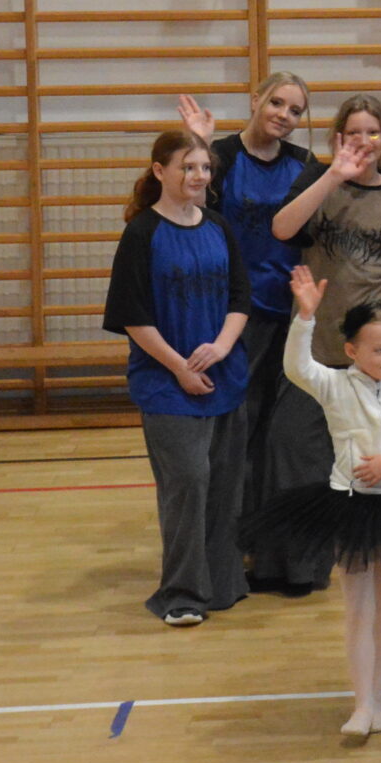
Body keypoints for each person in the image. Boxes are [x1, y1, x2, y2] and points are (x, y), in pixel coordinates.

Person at [242, 266, 381, 741]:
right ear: (351, 351)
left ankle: (377, 697)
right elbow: (297, 369)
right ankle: (362, 704)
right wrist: (305, 318)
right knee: (358, 609)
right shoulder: (336, 386)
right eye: (378, 350)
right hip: (352, 507)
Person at [260, 95, 381, 594]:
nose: (363, 141)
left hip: (378, 362)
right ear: (338, 137)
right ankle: (300, 567)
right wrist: (333, 174)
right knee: (292, 448)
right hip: (321, 352)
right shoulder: (317, 179)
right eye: (353, 132)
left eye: (373, 132)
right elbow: (282, 227)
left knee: (378, 465)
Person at [105, 129, 252, 627]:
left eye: (205, 167)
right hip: (166, 384)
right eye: (188, 167)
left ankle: (222, 584)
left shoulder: (219, 226)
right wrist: (179, 367)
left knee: (225, 487)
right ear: (160, 171)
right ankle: (182, 594)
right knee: (187, 483)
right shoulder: (142, 233)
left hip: (224, 376)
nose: (199, 176)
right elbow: (131, 315)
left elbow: (240, 297)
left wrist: (223, 347)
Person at [176, 75, 314, 528]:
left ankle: (268, 528)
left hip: (290, 312)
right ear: (255, 100)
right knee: (236, 424)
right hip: (235, 313)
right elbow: (189, 211)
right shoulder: (222, 157)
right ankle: (225, 529)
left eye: (295, 110)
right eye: (276, 103)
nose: (284, 115)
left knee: (278, 427)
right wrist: (198, 142)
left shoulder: (304, 163)